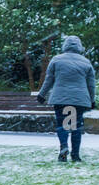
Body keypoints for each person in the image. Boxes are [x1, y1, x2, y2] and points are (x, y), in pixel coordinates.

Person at [37, 34, 95, 163]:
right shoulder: (86, 62)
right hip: (79, 100)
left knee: (62, 125)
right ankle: (75, 155)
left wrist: (42, 94)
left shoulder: (57, 60)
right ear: (79, 47)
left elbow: (49, 79)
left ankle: (64, 146)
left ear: (65, 46)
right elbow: (91, 84)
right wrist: (92, 100)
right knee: (75, 126)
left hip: (61, 98)